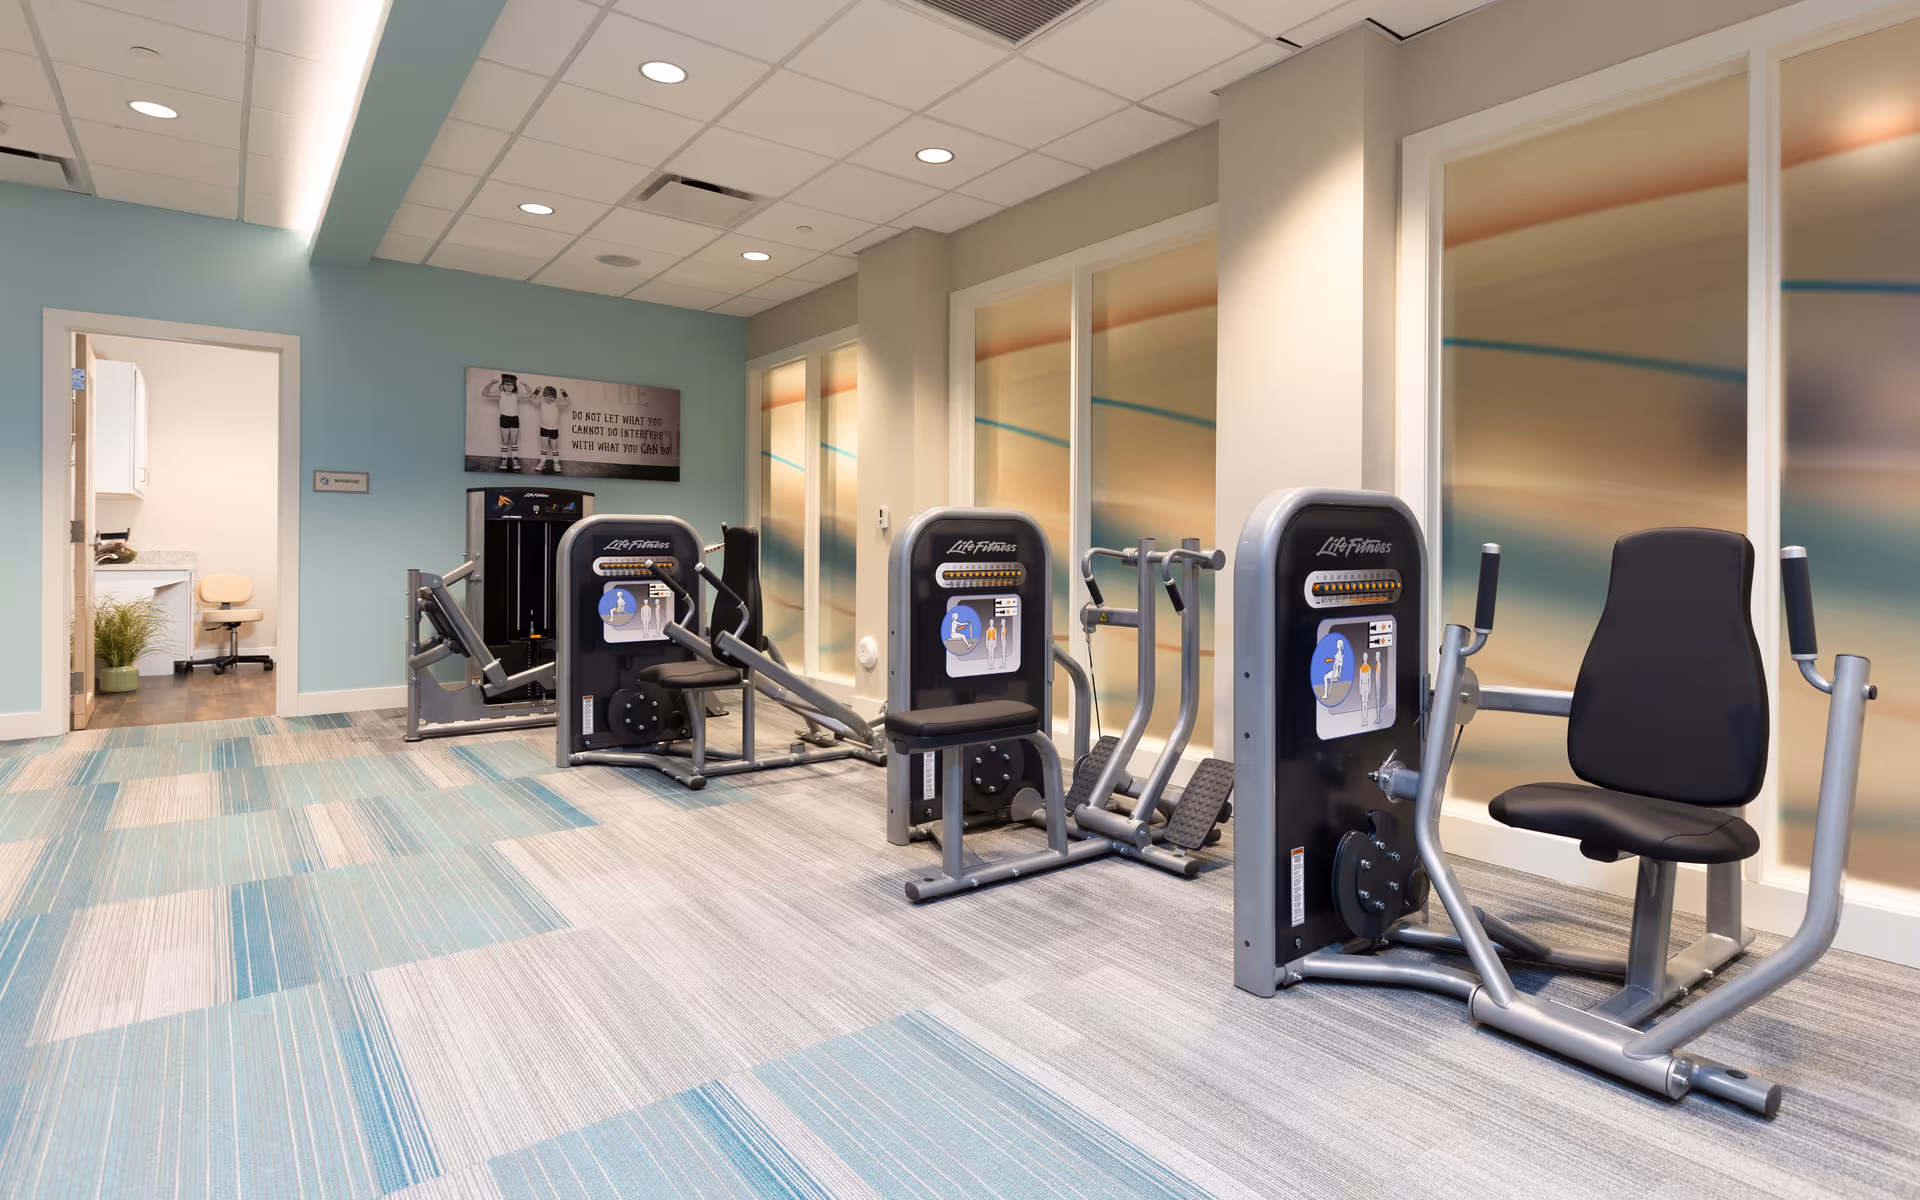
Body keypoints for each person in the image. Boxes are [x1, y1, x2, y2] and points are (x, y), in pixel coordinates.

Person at [480, 373, 526, 472]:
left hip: (514, 419)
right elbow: (484, 393)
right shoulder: (500, 394)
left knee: (514, 441)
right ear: (503, 385)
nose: (508, 386)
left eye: (511, 384)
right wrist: (491, 383)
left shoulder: (516, 395)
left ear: (514, 386)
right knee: (505, 441)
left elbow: (530, 395)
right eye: (506, 384)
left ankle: (515, 460)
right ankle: (504, 460)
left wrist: (526, 385)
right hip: (504, 418)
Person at [537, 386, 571, 475]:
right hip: (544, 428)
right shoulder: (541, 403)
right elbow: (532, 399)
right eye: (547, 396)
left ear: (555, 397)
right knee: (544, 448)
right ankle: (542, 463)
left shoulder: (557, 403)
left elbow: (568, 402)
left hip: (554, 429)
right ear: (544, 396)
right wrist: (537, 391)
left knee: (554, 448)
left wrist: (564, 393)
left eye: (552, 397)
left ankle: (556, 464)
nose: (549, 398)